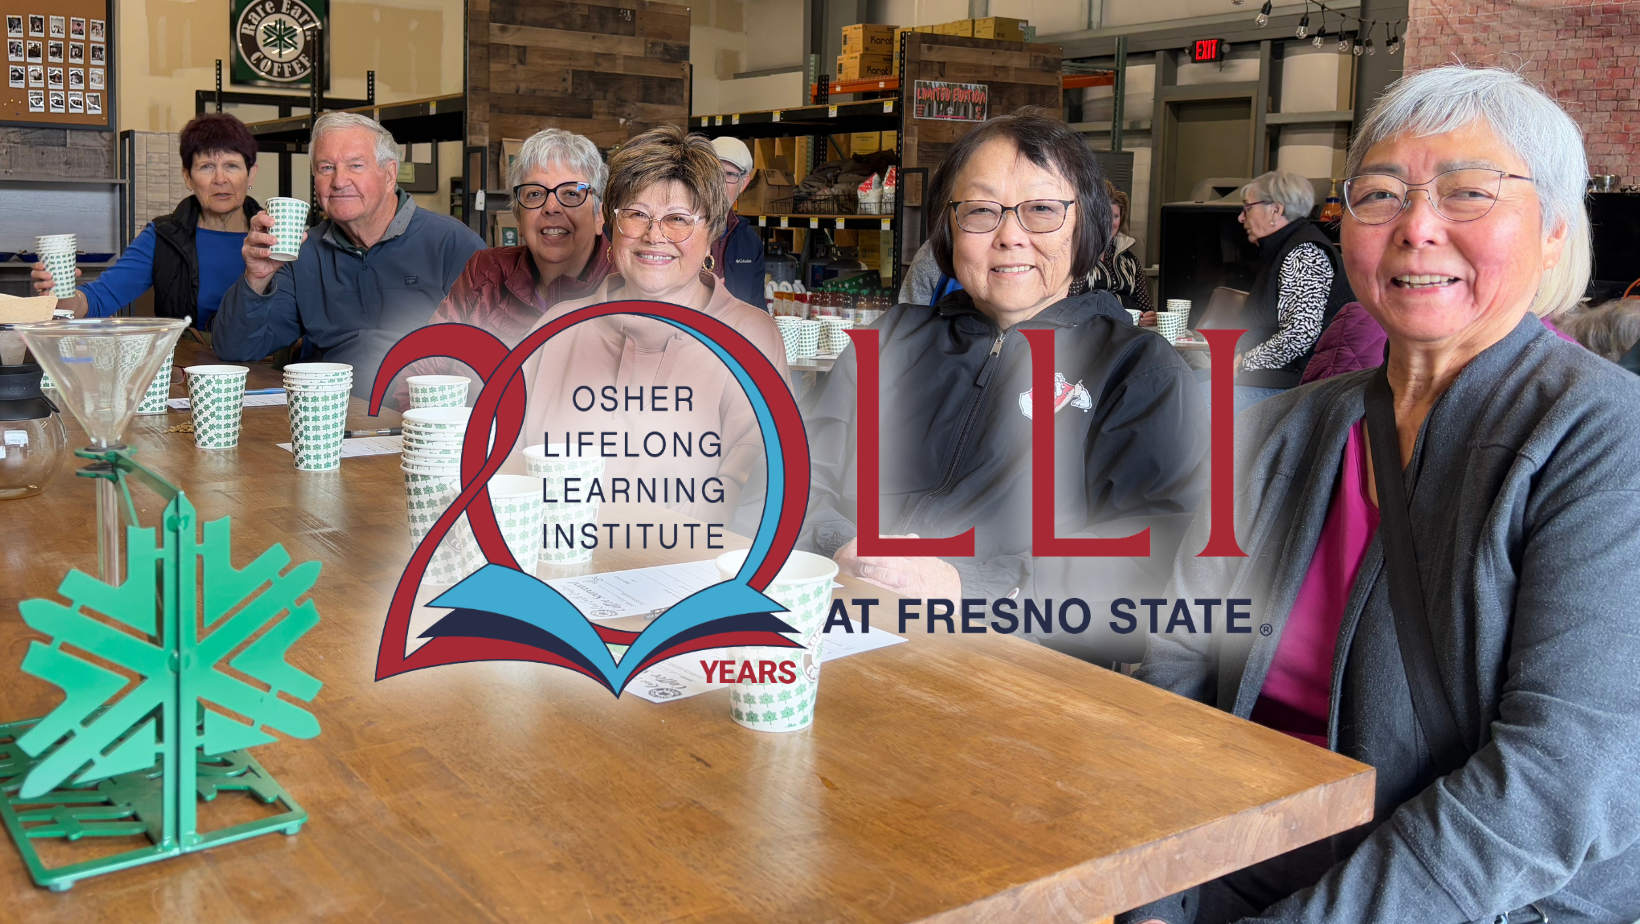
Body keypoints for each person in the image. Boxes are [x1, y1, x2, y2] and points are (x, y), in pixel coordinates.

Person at [1122, 66, 1640, 924]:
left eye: (1470, 192)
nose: (1418, 227)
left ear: (1553, 230)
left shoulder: (1601, 438)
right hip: (1239, 853)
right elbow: (1177, 674)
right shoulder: (1279, 431)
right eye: (1381, 194)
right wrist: (1147, 889)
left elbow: (1561, 777)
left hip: (1477, 896)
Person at [801, 107, 1208, 664]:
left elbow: (1150, 564)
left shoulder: (1138, 370)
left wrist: (971, 586)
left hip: (1010, 665)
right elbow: (792, 478)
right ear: (947, 227)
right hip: (835, 626)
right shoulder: (892, 340)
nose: (1011, 237)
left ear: (1087, 224)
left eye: (1041, 210)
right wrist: (841, 548)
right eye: (982, 211)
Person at [510, 125, 789, 539]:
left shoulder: (751, 337)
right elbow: (508, 472)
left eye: (678, 219)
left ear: (712, 230)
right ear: (608, 221)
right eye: (636, 214)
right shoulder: (555, 330)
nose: (654, 234)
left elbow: (753, 502)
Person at [212, 111, 485, 397]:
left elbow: (492, 357)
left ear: (390, 175)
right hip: (324, 415)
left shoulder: (453, 245)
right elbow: (236, 349)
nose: (339, 181)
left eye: (355, 165)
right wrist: (256, 278)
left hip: (420, 417)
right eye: (326, 168)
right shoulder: (302, 252)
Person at [389, 128, 613, 409]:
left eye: (571, 193)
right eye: (534, 194)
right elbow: (418, 375)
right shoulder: (484, 271)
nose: (551, 207)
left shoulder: (628, 286)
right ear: (518, 218)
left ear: (599, 214)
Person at [33, 113, 260, 330]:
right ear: (187, 178)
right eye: (207, 167)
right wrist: (62, 293)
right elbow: (97, 301)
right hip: (189, 365)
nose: (220, 179)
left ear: (250, 174)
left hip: (271, 368)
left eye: (231, 166)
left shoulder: (276, 237)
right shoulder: (163, 237)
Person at [1218, 169, 1353, 413]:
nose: (1241, 217)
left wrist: (1245, 363)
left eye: (1247, 207)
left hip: (1297, 385)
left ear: (1276, 210)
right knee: (1179, 391)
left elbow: (1300, 333)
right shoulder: (1288, 247)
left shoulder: (1305, 253)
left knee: (1189, 407)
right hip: (1275, 377)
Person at [708, 136, 767, 308]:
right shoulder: (679, 229)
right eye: (714, 172)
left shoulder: (750, 242)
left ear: (743, 183)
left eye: (729, 175)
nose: (719, 183)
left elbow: (758, 310)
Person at [1090, 181, 1153, 315]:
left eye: (1115, 216)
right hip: (1087, 331)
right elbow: (1065, 305)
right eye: (1104, 214)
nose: (1110, 222)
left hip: (1127, 332)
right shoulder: (1074, 257)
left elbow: (1146, 308)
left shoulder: (1130, 261)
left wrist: (1148, 317)